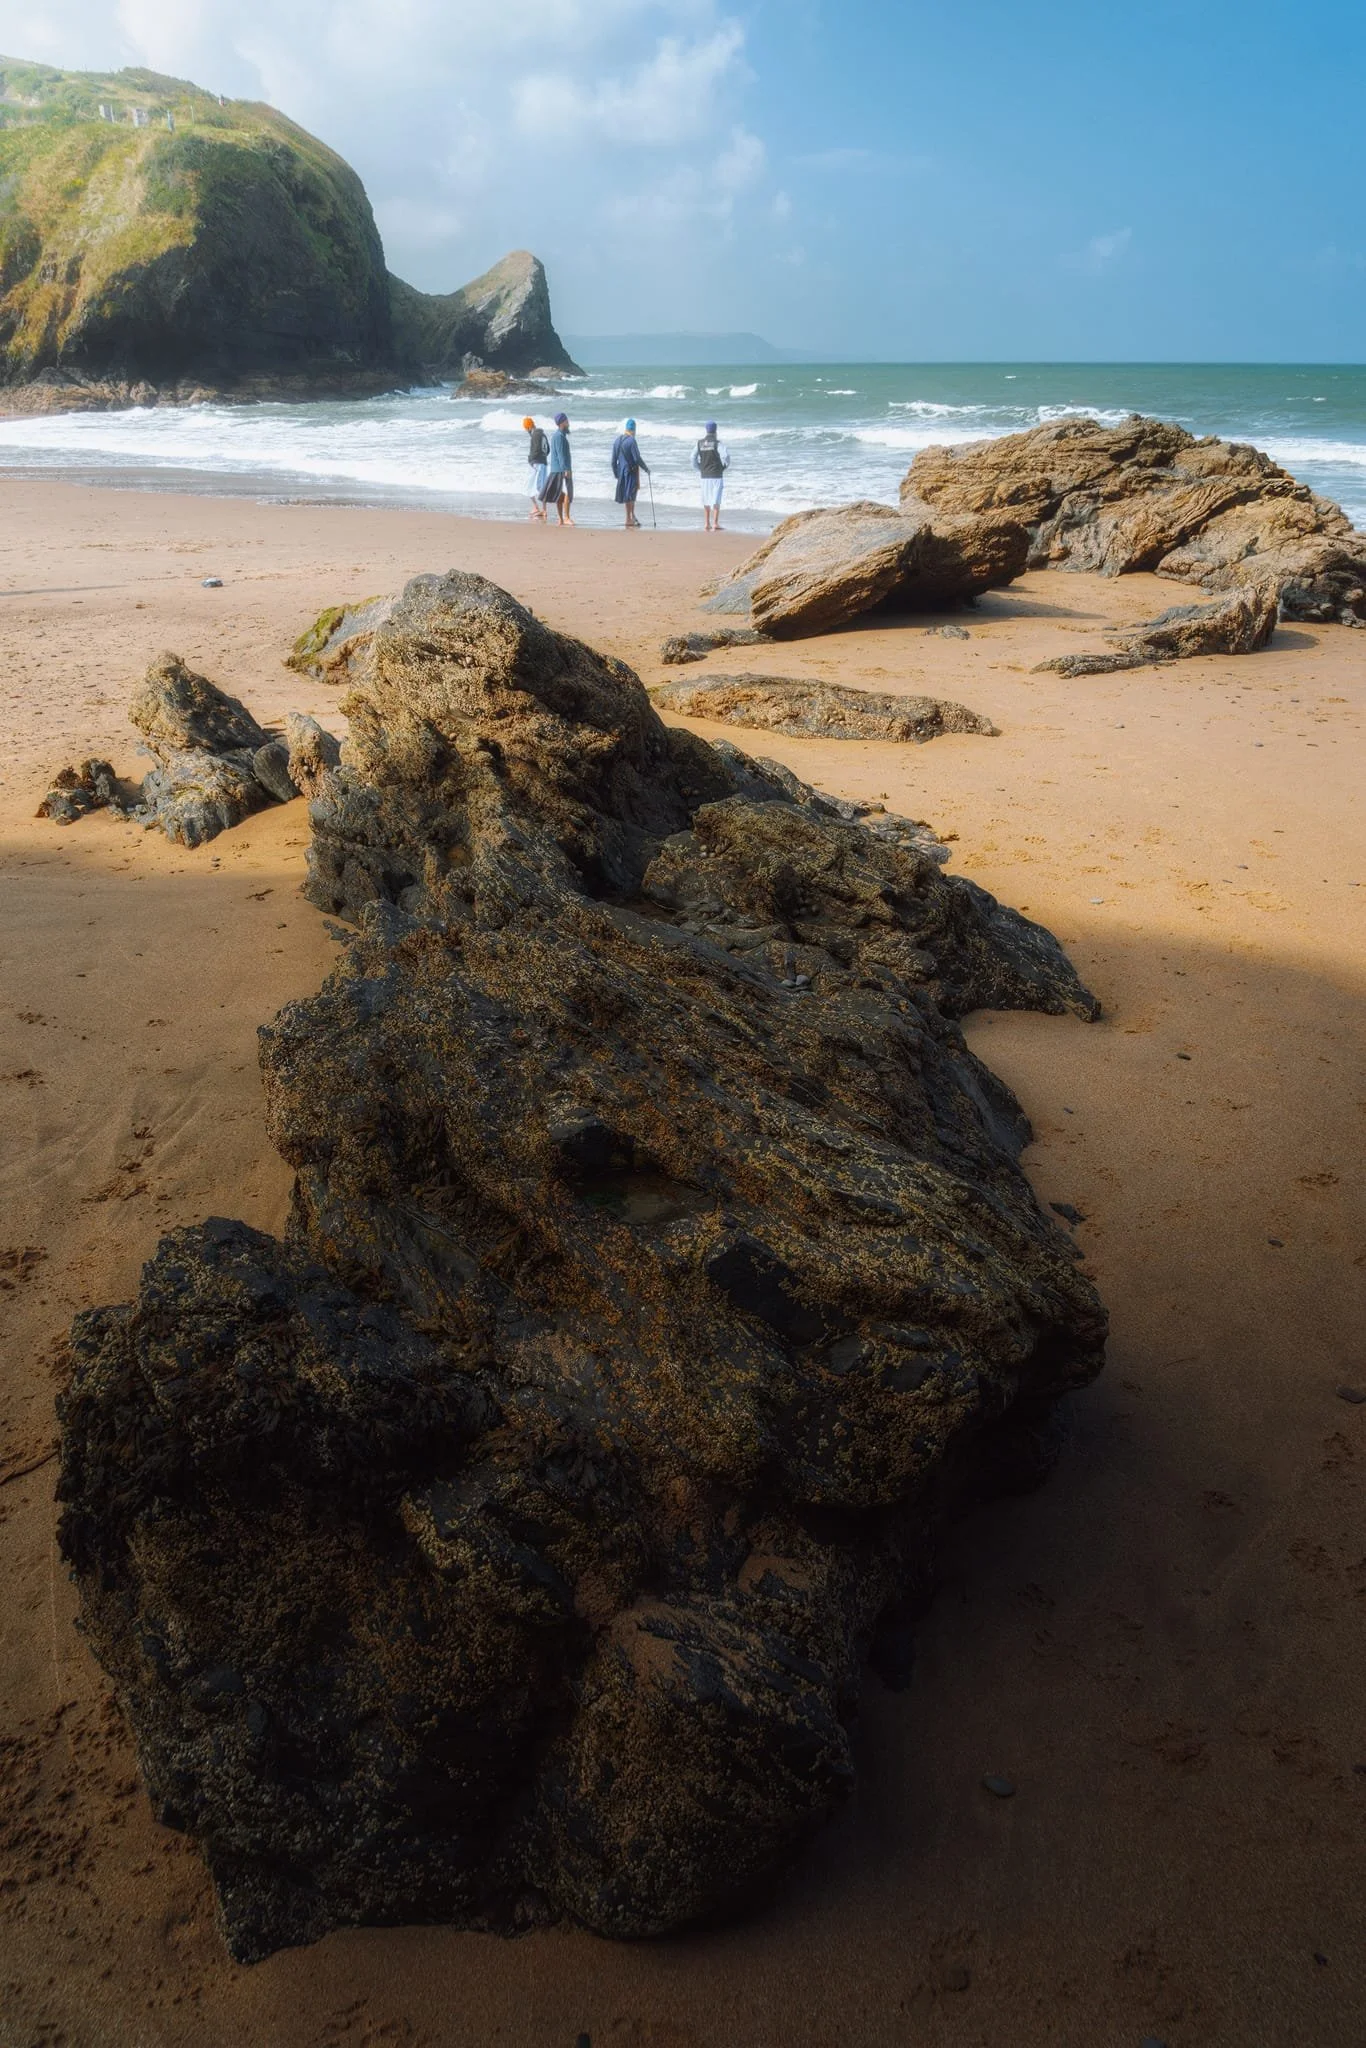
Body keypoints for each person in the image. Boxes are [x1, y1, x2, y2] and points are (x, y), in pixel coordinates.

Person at [610, 417, 649, 529]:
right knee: (630, 496)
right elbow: (637, 458)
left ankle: (631, 516)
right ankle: (628, 518)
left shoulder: (617, 440)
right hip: (631, 472)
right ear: (634, 429)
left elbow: (613, 461)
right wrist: (646, 469)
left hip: (621, 472)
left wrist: (616, 474)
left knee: (628, 496)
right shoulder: (632, 441)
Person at [692, 420, 730, 531]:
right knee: (716, 500)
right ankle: (715, 523)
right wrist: (725, 466)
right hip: (717, 475)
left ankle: (706, 524)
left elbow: (692, 458)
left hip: (704, 475)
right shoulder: (718, 443)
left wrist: (699, 467)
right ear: (715, 430)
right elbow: (726, 456)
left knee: (706, 499)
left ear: (706, 430)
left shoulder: (699, 443)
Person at [541, 412, 574, 525]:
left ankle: (561, 519)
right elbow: (560, 454)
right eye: (566, 421)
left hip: (557, 469)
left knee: (559, 494)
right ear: (561, 423)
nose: (568, 423)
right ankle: (566, 518)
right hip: (562, 469)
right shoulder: (559, 437)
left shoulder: (558, 435)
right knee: (568, 493)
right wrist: (566, 469)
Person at [524, 416, 549, 521]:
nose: (527, 431)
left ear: (529, 427)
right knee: (541, 487)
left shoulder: (535, 435)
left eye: (526, 428)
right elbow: (548, 450)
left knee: (529, 486)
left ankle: (536, 508)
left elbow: (534, 451)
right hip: (543, 463)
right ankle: (543, 510)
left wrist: (530, 460)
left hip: (536, 463)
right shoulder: (542, 434)